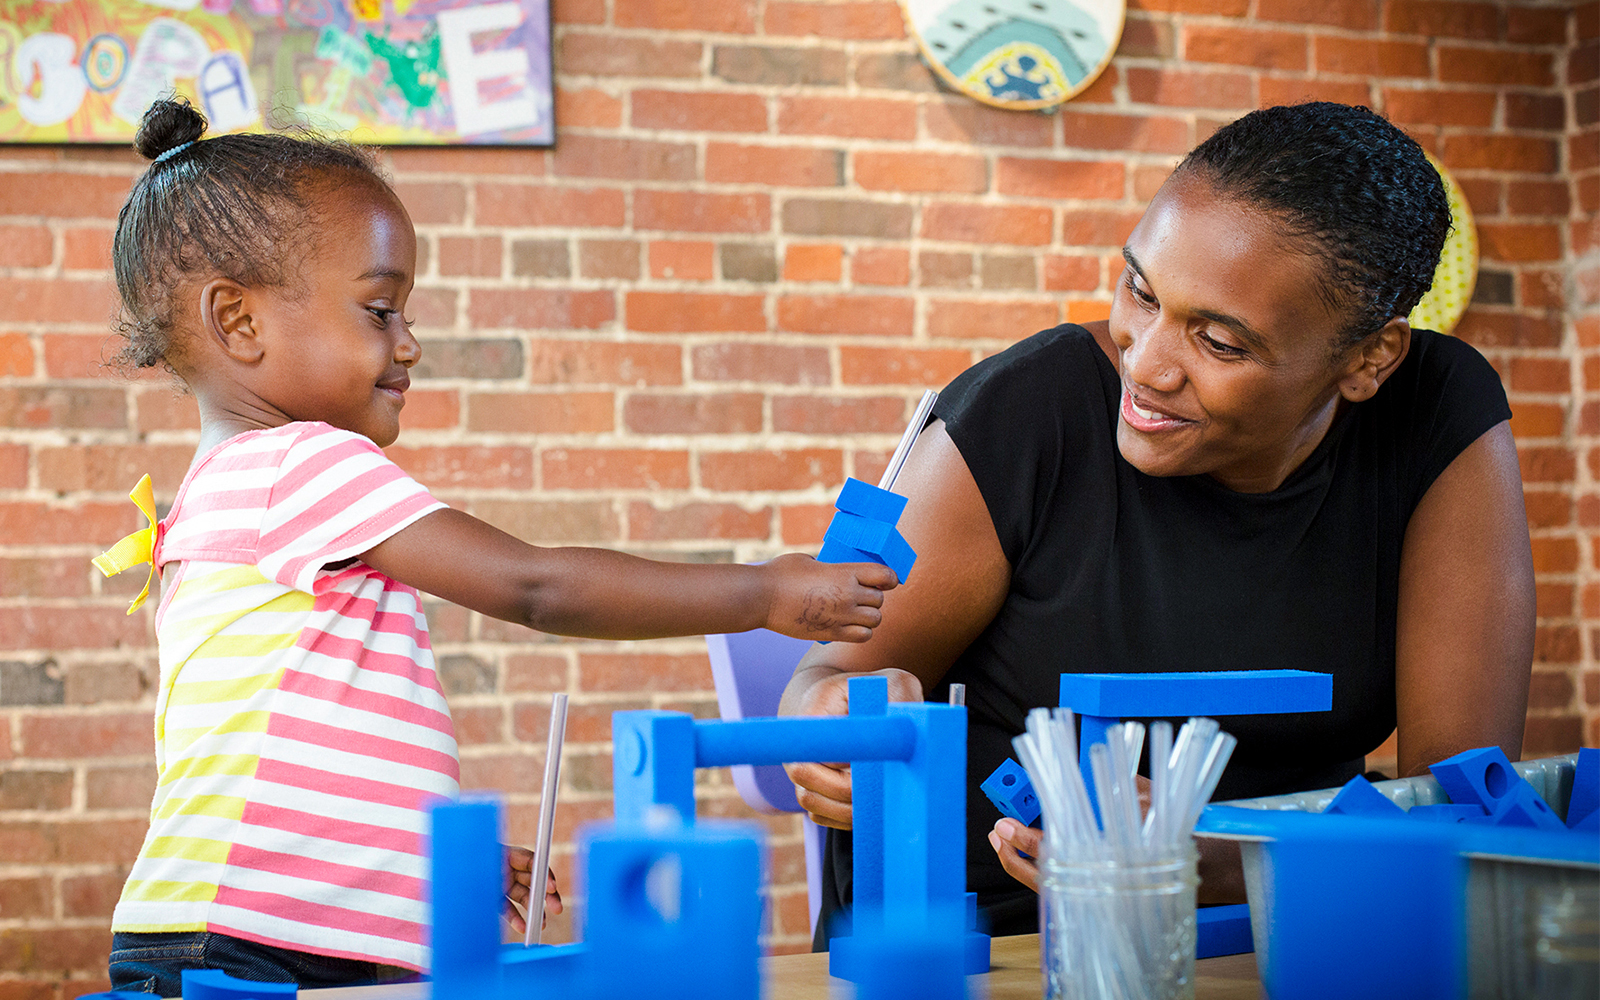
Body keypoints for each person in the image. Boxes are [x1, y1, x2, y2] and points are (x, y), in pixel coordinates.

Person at [98, 98, 898, 996]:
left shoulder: (227, 489)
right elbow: (537, 586)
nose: (409, 342)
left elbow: (279, 752)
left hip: (225, 930)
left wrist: (425, 860)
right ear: (238, 322)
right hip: (255, 950)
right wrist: (765, 594)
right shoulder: (303, 461)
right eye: (377, 309)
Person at [779, 102, 1535, 942]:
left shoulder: (1436, 412)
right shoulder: (1024, 413)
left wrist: (1212, 857)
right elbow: (826, 680)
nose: (1145, 365)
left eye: (1219, 342)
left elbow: (1465, 803)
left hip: (1293, 930)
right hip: (989, 938)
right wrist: (829, 724)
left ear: (1368, 360)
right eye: (1141, 290)